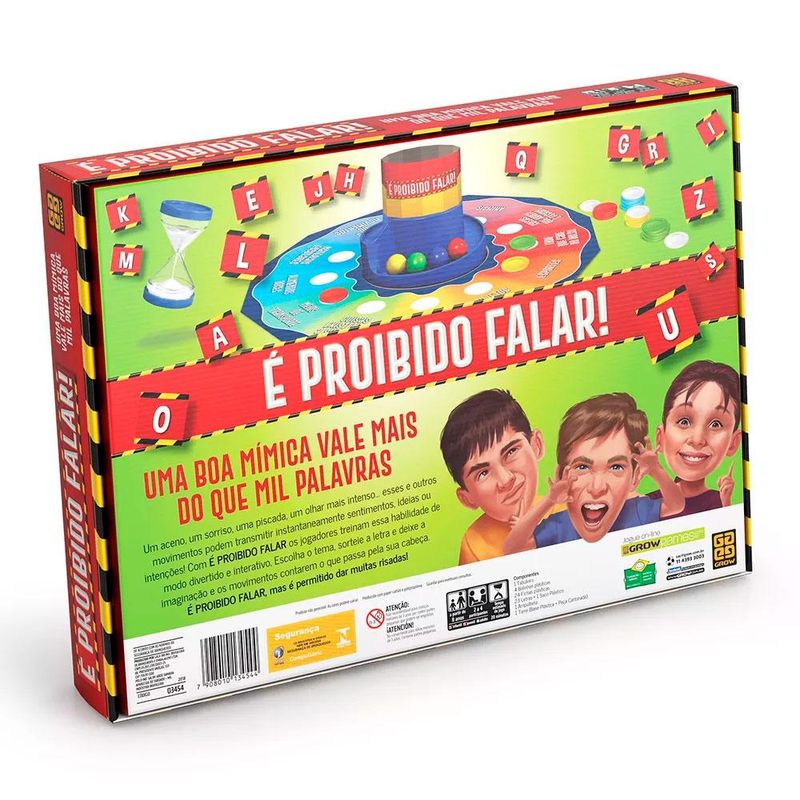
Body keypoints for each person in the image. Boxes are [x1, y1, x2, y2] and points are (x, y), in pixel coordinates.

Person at [503, 392, 684, 552]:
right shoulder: (559, 526)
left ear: (635, 477)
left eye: (616, 467)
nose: (597, 488)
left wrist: (655, 470)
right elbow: (512, 547)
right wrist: (549, 500)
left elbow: (676, 505)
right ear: (560, 476)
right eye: (582, 467)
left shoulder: (636, 511)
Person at [440, 389, 555, 564]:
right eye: (483, 473)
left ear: (536, 446)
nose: (505, 480)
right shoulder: (475, 544)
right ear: (467, 498)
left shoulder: (570, 511)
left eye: (511, 452)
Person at [650, 360, 742, 515]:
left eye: (716, 424)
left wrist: (726, 503)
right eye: (684, 421)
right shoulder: (647, 503)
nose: (697, 440)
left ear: (733, 443)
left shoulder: (719, 502)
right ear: (661, 437)